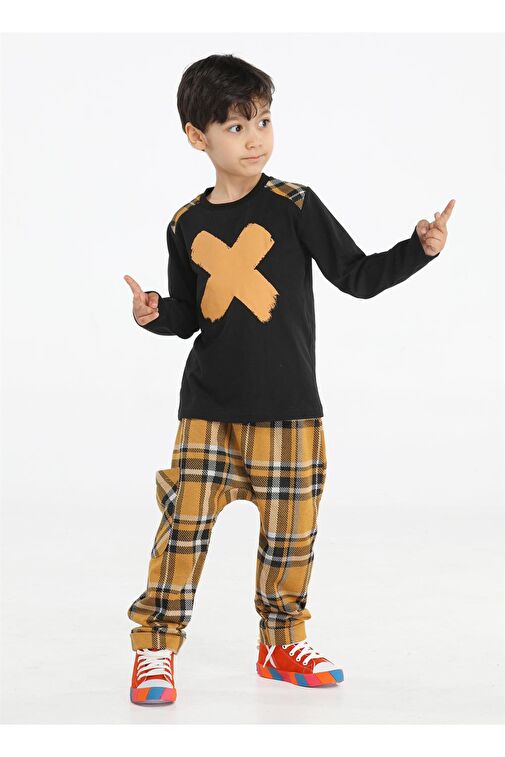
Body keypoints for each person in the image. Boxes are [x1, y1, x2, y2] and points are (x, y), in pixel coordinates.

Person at [124, 53, 454, 706]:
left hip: (289, 407)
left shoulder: (293, 204)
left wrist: (418, 250)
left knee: (290, 537)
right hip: (209, 409)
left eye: (264, 121)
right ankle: (155, 647)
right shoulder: (186, 223)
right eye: (236, 126)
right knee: (182, 527)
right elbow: (191, 316)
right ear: (196, 137)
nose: (255, 139)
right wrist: (157, 313)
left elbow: (356, 276)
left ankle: (280, 642)